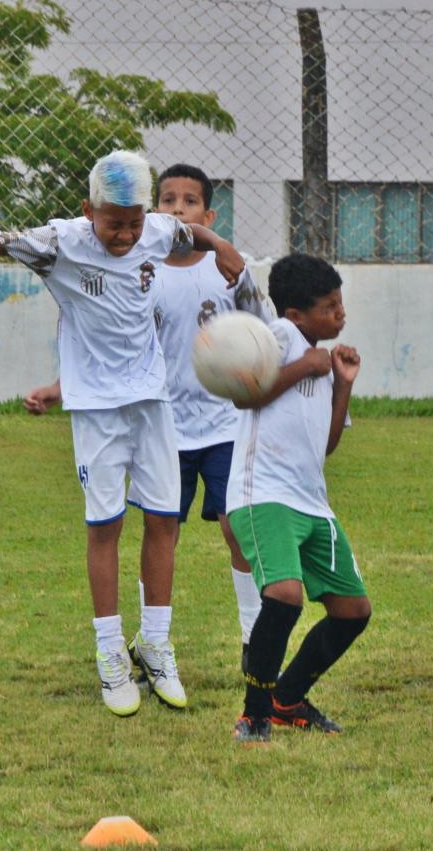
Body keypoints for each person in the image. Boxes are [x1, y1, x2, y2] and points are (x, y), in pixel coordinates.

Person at [0, 149, 244, 717]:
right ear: (88, 210)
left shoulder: (156, 231)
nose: (125, 234)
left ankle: (155, 643)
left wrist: (222, 249)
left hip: (152, 401)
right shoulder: (60, 242)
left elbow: (186, 232)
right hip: (97, 409)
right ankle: (109, 653)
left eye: (134, 221)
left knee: (164, 519)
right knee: (106, 525)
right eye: (113, 221)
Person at [228, 254, 367, 744]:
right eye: (329, 307)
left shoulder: (322, 359)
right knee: (284, 595)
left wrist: (342, 386)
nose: (340, 314)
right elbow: (245, 394)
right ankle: (254, 714)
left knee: (354, 610)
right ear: (295, 315)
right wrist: (305, 364)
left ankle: (287, 698)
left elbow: (325, 445)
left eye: (340, 303)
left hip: (311, 501)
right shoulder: (281, 339)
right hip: (263, 494)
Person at [152, 164, 270, 661]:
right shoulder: (144, 270)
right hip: (164, 424)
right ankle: (153, 640)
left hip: (223, 421)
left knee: (236, 525)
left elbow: (260, 327)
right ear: (153, 209)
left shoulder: (225, 267)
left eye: (190, 202)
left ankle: (252, 636)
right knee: (162, 531)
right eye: (168, 200)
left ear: (209, 213)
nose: (178, 210)